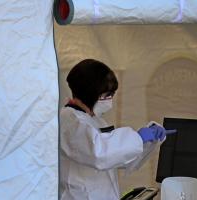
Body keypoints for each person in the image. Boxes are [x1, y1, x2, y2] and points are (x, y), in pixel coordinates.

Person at [59, 59, 176, 200]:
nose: (109, 100)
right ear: (89, 92)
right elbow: (99, 153)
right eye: (106, 95)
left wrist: (147, 141)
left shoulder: (96, 120)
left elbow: (118, 158)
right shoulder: (68, 119)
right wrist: (138, 138)